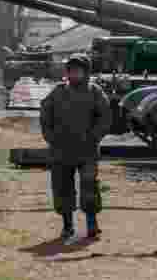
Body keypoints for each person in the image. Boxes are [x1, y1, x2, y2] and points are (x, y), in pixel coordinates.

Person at [40, 53, 111, 243]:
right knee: (63, 189)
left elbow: (105, 118)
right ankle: (68, 225)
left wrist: (93, 137)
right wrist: (51, 138)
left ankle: (91, 222)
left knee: (89, 187)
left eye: (78, 71)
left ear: (86, 72)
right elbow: (45, 114)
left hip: (87, 150)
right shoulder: (58, 92)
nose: (74, 74)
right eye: (71, 71)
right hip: (61, 150)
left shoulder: (94, 92)